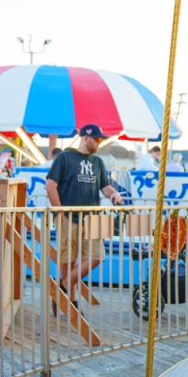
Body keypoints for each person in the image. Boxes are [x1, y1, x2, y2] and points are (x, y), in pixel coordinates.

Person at [45, 124, 123, 311]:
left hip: (93, 217)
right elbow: (50, 184)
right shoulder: (65, 158)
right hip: (68, 216)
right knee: (68, 260)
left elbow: (105, 186)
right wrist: (59, 212)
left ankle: (62, 287)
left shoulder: (98, 162)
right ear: (86, 138)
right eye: (97, 140)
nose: (99, 143)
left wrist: (114, 193)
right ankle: (70, 302)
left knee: (97, 257)